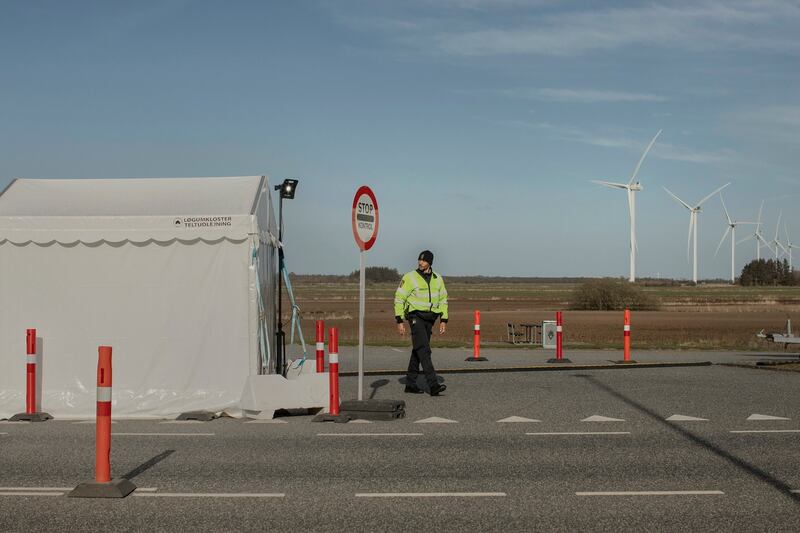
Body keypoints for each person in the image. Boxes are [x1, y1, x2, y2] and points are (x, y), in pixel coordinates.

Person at [394, 250, 449, 396]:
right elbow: (399, 298)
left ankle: (410, 384)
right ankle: (433, 385)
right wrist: (399, 320)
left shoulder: (438, 279)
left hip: (430, 319)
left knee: (418, 351)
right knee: (424, 350)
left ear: (430, 262)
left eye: (423, 261)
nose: (420, 262)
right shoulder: (410, 277)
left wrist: (444, 319)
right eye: (419, 260)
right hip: (415, 317)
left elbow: (443, 300)